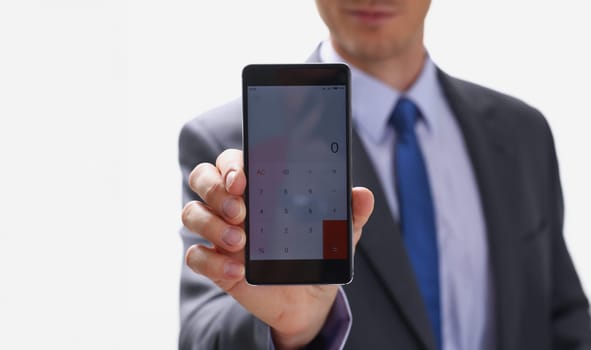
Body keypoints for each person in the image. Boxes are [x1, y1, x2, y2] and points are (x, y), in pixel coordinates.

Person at [177, 0, 591, 349]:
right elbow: (202, 333)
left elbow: (563, 317)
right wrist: (293, 332)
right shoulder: (233, 145)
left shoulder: (521, 133)